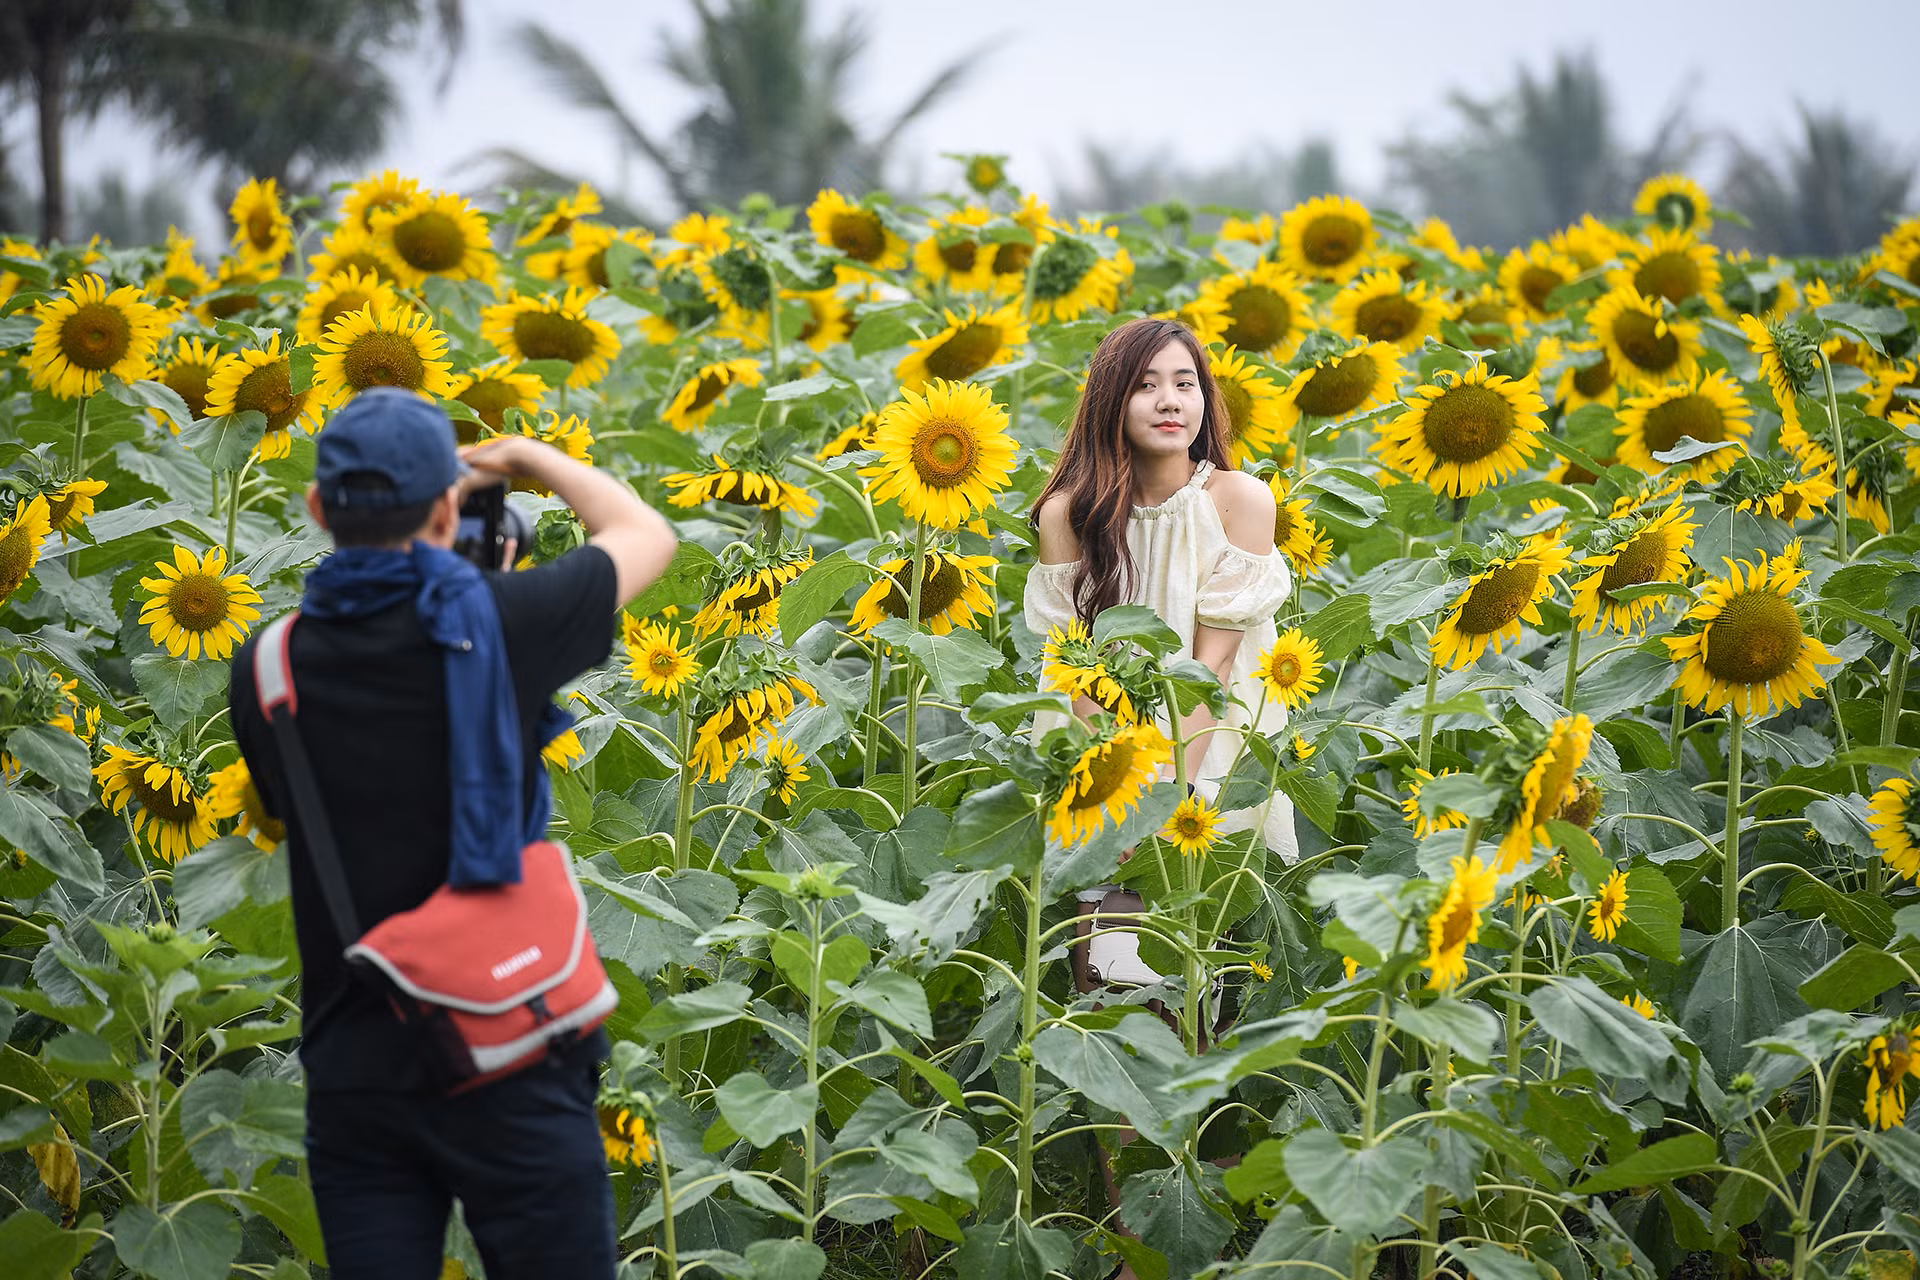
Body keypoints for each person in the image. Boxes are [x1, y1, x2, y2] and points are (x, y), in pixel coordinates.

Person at [228, 388, 676, 1280]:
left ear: (319, 510)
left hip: (356, 1064)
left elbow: (277, 815)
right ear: (446, 505)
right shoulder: (503, 627)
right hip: (513, 1042)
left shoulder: (269, 663)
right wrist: (527, 459)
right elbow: (644, 534)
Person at [1024, 316, 1297, 995]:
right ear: (1110, 401)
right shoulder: (1071, 514)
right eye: (1146, 386)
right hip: (1099, 752)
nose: (1170, 401)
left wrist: (1168, 801)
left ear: (1206, 400)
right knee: (1107, 973)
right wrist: (1116, 797)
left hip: (1207, 754)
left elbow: (1214, 670)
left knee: (1197, 963)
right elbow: (1075, 670)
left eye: (1185, 383)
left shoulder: (1238, 502)